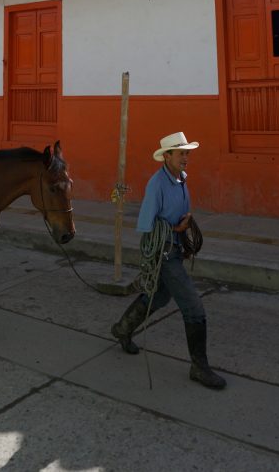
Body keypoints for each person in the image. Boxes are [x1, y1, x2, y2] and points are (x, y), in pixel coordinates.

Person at [111, 131, 226, 390]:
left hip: (175, 248)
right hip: (163, 252)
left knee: (159, 296)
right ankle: (199, 367)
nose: (186, 157)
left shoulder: (181, 179)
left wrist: (184, 230)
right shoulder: (157, 184)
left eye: (187, 153)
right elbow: (146, 225)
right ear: (167, 156)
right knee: (193, 307)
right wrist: (174, 231)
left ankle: (122, 328)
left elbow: (179, 216)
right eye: (181, 153)